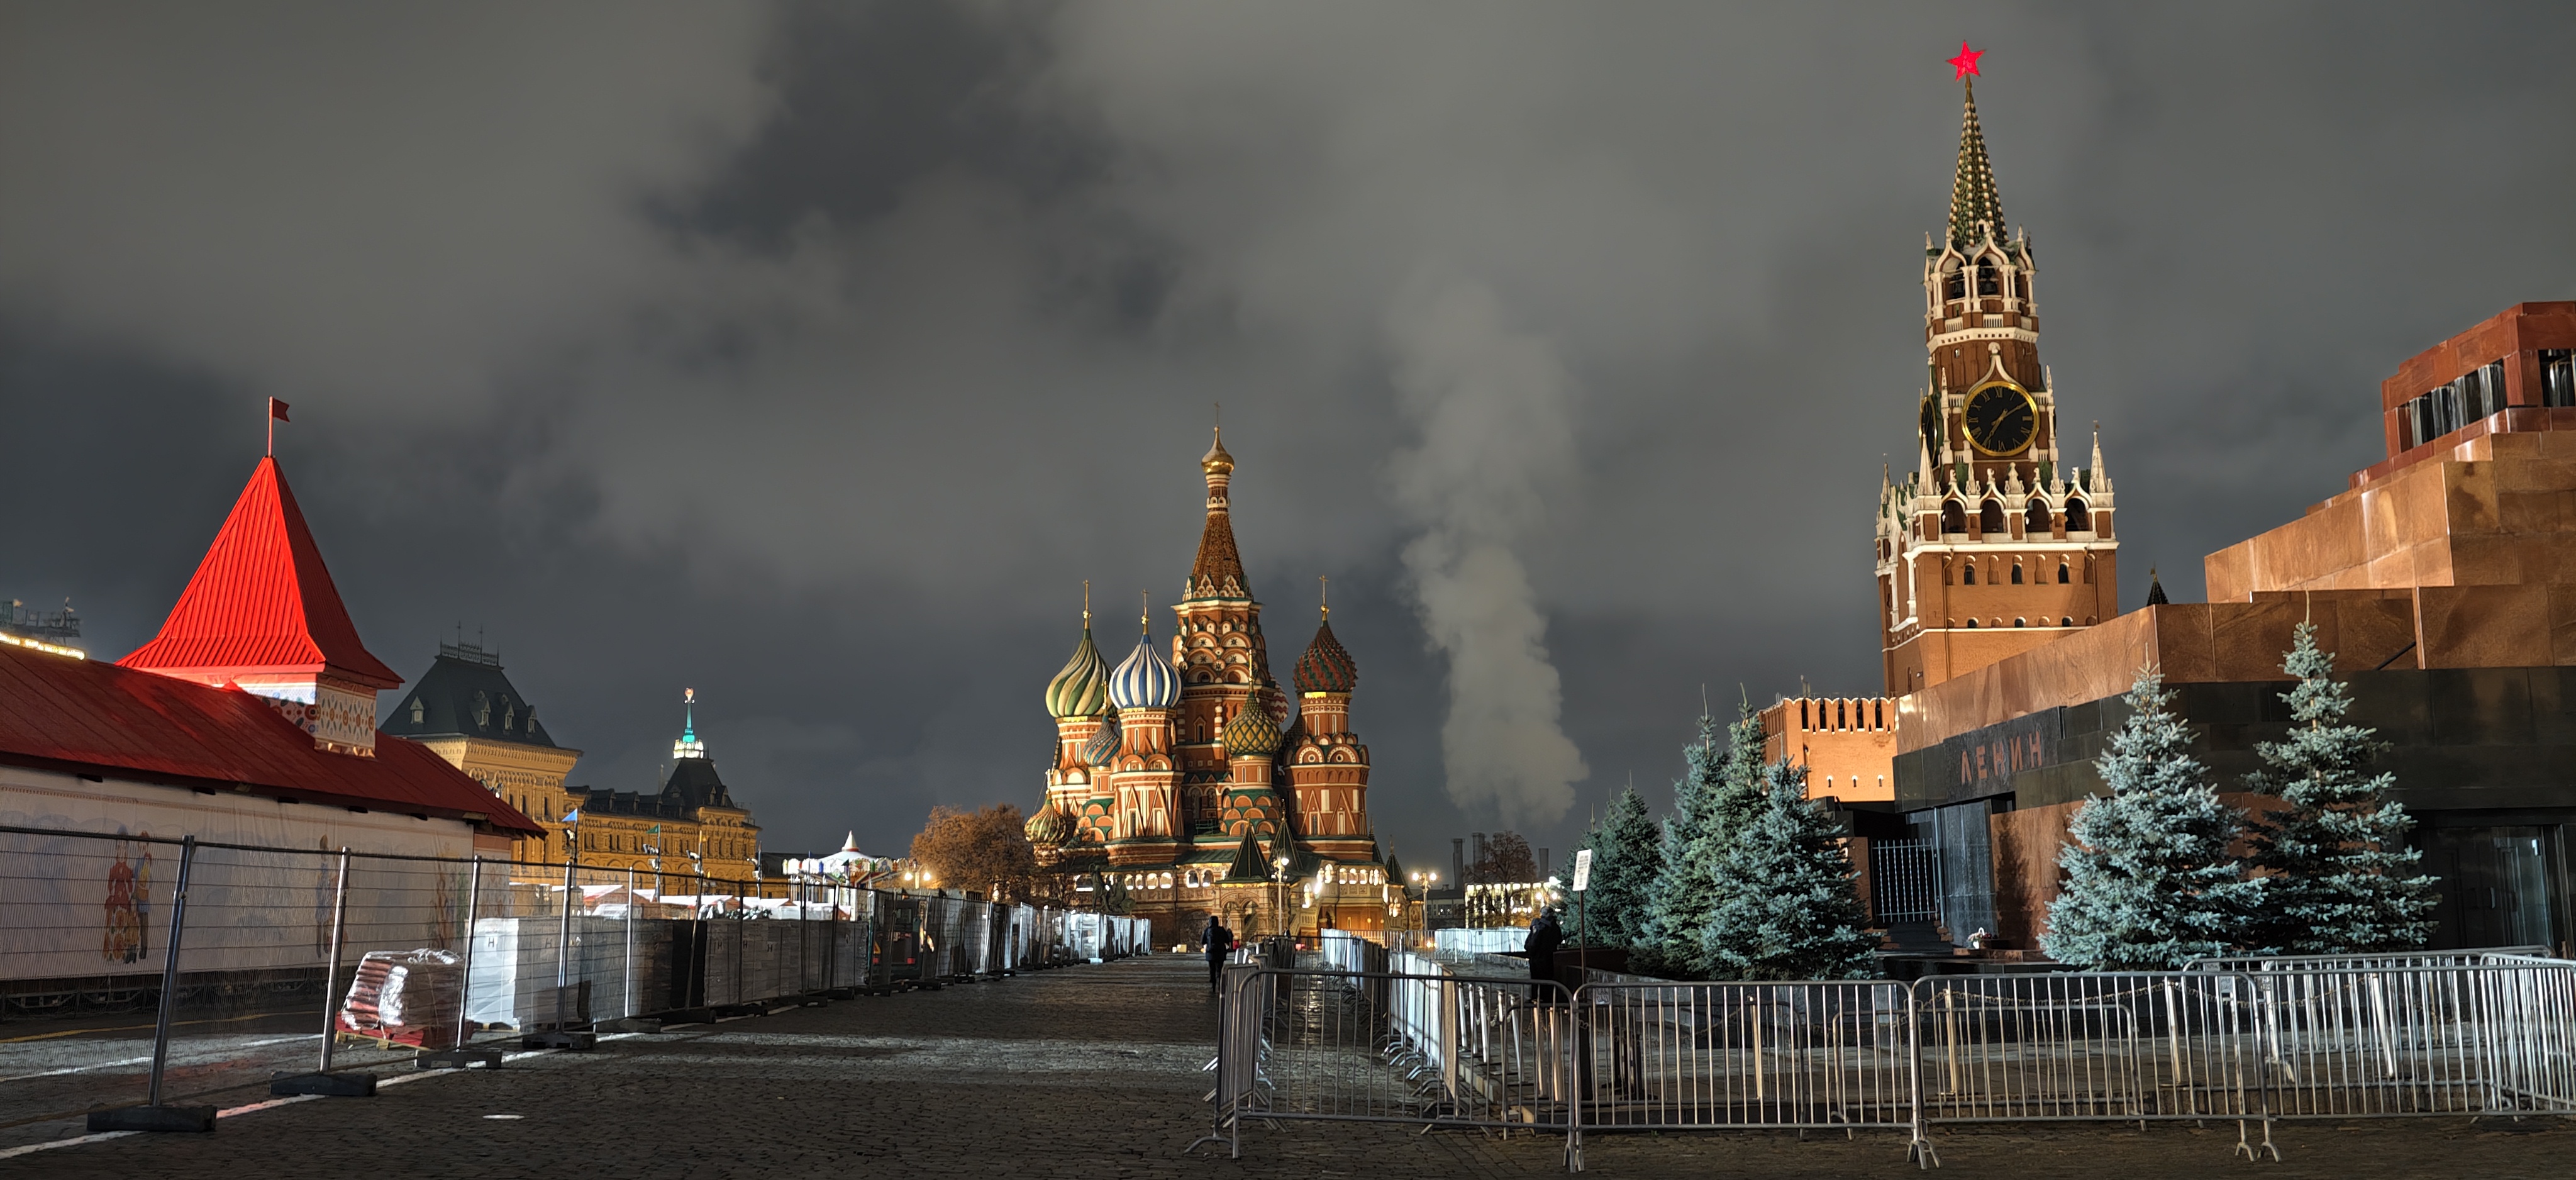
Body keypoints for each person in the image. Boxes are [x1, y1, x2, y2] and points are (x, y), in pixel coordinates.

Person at [1524, 908, 1563, 1003]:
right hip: (1550, 959)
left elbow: (1532, 944)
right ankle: (1548, 1001)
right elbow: (1559, 940)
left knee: (1537, 982)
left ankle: (1537, 1000)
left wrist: (1530, 949)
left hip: (1537, 959)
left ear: (1542, 914)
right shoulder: (1555, 927)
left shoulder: (1539, 927)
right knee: (1548, 982)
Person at [1202, 915, 1233, 996]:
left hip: (1211, 954)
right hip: (1220, 953)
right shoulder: (1221, 930)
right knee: (1220, 970)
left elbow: (1203, 941)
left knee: (1212, 970)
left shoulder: (1208, 930)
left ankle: (1213, 986)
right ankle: (1220, 985)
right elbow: (1227, 939)